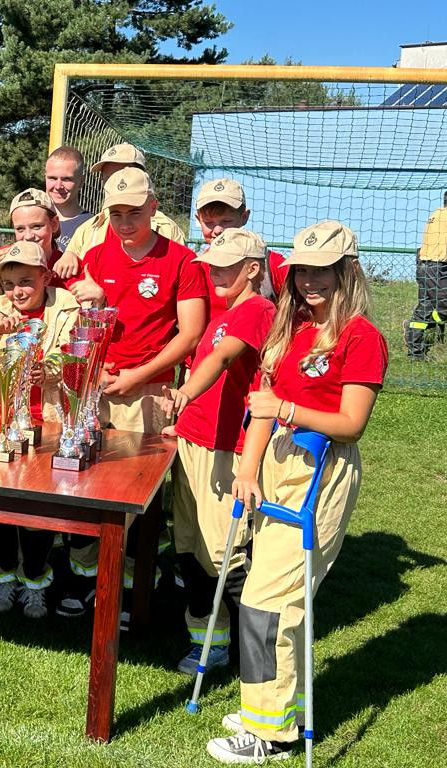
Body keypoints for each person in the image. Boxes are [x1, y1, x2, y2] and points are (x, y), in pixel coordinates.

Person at [207, 220, 388, 763]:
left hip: (321, 471)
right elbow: (262, 405)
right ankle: (279, 707)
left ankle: (269, 733)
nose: (310, 280)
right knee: (278, 599)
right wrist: (247, 469)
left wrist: (285, 410)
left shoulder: (362, 336)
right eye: (304, 269)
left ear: (346, 271)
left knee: (266, 602)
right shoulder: (293, 328)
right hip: (276, 466)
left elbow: (352, 422)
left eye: (323, 270)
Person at [59, 166, 208, 618]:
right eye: (117, 213)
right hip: (101, 386)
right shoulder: (99, 254)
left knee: (138, 495)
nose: (125, 223)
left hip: (149, 391)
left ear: (154, 208)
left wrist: (139, 375)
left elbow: (191, 333)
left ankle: (135, 589)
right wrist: (98, 365)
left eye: (134, 213)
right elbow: (92, 321)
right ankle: (93, 582)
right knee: (91, 486)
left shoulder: (181, 260)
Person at [161, 229, 276, 676]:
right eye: (213, 267)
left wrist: (184, 392)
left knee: (227, 554)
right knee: (189, 548)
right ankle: (208, 640)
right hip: (193, 441)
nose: (217, 274)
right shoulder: (223, 310)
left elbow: (223, 358)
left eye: (228, 266)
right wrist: (183, 421)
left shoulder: (258, 310)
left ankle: (259, 655)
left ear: (253, 268)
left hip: (226, 449)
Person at [0, 241, 80, 618]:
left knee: (37, 511)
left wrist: (49, 369)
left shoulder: (66, 307)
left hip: (47, 420)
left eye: (26, 281)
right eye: (8, 284)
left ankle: (35, 579)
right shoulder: (0, 308)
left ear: (45, 277)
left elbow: (72, 350)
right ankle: (3, 576)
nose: (17, 291)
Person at [54, 142, 187, 279]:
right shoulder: (89, 228)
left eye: (124, 176)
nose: (116, 183)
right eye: (108, 178)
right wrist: (69, 256)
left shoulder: (167, 229)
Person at [194, 178, 289, 310]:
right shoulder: (195, 265)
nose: (217, 230)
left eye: (226, 221)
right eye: (209, 223)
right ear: (198, 220)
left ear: (244, 217)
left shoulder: (270, 263)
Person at [404, 190, 447, 360]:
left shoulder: (436, 214)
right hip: (436, 267)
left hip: (425, 264)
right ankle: (426, 328)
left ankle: (415, 352)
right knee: (444, 306)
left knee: (425, 309)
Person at [45, 145, 93, 253]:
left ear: (81, 181)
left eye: (66, 179)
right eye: (52, 178)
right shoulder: (35, 218)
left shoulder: (91, 225)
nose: (58, 186)